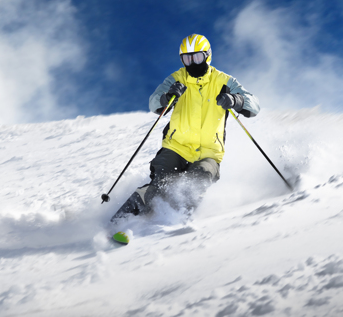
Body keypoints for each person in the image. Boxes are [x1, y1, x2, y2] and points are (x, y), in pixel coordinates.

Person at [111, 34, 260, 221]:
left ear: (207, 56)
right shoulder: (176, 79)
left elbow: (254, 105)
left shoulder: (223, 81)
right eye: (187, 59)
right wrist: (167, 97)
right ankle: (121, 223)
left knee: (197, 182)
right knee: (161, 186)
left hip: (208, 152)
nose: (192, 63)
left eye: (197, 57)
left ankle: (175, 223)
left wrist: (236, 100)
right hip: (176, 147)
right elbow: (153, 103)